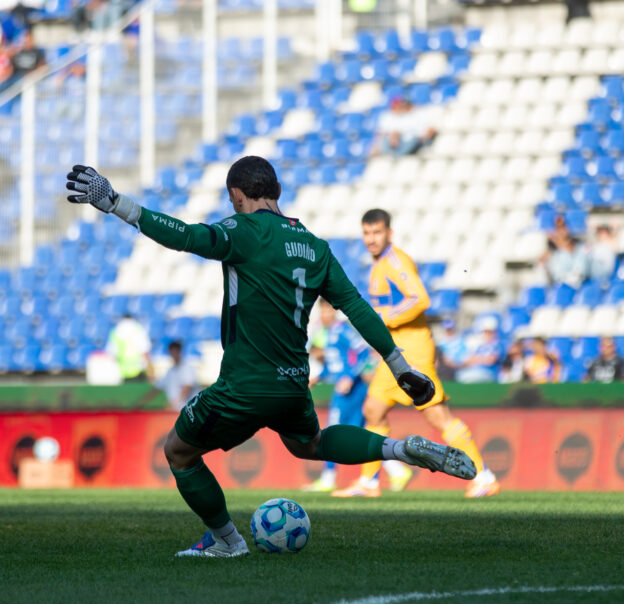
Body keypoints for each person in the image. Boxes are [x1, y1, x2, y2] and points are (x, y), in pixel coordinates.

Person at [67, 158, 477, 557]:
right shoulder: (315, 247)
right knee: (310, 443)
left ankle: (228, 541)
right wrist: (400, 366)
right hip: (293, 385)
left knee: (178, 451)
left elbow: (185, 236)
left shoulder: (242, 231)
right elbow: (356, 307)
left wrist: (115, 202)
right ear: (277, 191)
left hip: (242, 386)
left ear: (236, 196)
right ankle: (399, 450)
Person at [332, 209, 500, 499]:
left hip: (413, 349)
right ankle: (369, 482)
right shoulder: (378, 264)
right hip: (394, 350)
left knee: (437, 416)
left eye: (377, 232)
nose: (371, 239)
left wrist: (384, 318)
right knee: (373, 410)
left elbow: (420, 299)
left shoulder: (395, 262)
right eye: (367, 233)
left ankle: (483, 476)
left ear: (389, 233)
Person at [304, 300, 412, 493]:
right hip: (344, 388)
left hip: (353, 390)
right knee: (360, 434)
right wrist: (317, 377)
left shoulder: (343, 330)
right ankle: (397, 470)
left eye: (328, 310)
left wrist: (350, 377)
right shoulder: (328, 333)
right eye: (322, 311)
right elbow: (335, 364)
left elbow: (364, 354)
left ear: (334, 311)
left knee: (332, 432)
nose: (325, 314)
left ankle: (329, 479)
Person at [105, 312, 152, 383]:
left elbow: (112, 354)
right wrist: (150, 371)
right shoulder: (138, 329)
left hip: (122, 372)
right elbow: (145, 351)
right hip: (138, 370)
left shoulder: (115, 331)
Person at [153, 339, 198, 411]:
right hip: (176, 410)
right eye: (172, 351)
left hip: (188, 410)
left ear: (180, 351)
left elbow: (187, 389)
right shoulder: (170, 371)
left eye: (176, 351)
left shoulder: (187, 368)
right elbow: (156, 389)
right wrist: (140, 404)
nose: (174, 354)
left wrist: (173, 405)